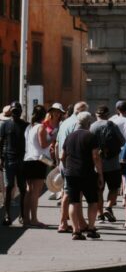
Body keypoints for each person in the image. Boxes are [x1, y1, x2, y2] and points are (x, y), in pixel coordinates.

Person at [61, 111, 104, 240]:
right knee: (92, 201)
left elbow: (62, 156)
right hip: (87, 173)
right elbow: (96, 156)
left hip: (71, 173)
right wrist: (100, 174)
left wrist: (67, 167)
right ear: (89, 123)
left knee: (74, 202)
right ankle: (91, 229)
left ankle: (76, 231)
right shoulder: (91, 136)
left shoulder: (69, 137)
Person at [56, 100, 88, 233]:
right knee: (70, 194)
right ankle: (63, 223)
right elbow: (78, 144)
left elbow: (57, 144)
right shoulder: (76, 124)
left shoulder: (64, 122)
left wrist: (58, 162)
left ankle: (80, 222)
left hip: (64, 162)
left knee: (71, 193)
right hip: (73, 163)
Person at [90, 106, 124, 223]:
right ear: (107, 114)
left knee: (99, 190)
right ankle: (108, 207)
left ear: (96, 115)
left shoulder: (92, 127)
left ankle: (100, 215)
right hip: (113, 163)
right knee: (114, 188)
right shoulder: (112, 125)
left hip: (97, 165)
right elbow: (123, 141)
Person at [23, 104, 51, 227]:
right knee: (36, 192)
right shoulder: (41, 127)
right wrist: (53, 137)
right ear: (44, 115)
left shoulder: (29, 127)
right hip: (39, 161)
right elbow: (43, 144)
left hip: (28, 159)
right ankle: (34, 218)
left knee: (29, 191)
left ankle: (26, 219)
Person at [0, 103, 27, 226]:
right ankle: (7, 215)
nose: (16, 112)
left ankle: (22, 215)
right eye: (14, 110)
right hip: (9, 159)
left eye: (18, 110)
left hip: (22, 160)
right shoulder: (5, 125)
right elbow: (1, 142)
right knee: (9, 186)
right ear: (11, 111)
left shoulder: (25, 125)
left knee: (22, 188)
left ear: (21, 111)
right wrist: (1, 158)